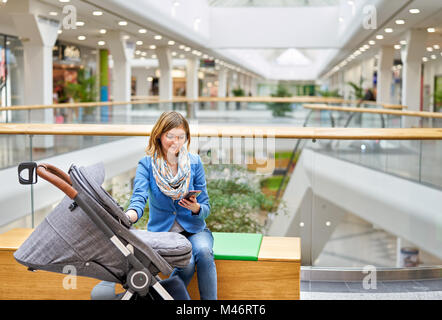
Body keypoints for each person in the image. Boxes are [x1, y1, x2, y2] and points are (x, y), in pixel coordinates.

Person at [91, 111, 217, 300]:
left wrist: (196, 208)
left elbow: (205, 206)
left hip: (195, 230)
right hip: (165, 233)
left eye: (181, 137)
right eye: (170, 136)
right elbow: (138, 199)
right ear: (159, 135)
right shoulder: (147, 165)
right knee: (187, 263)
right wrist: (128, 216)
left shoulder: (194, 162)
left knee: (205, 253)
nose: (176, 142)